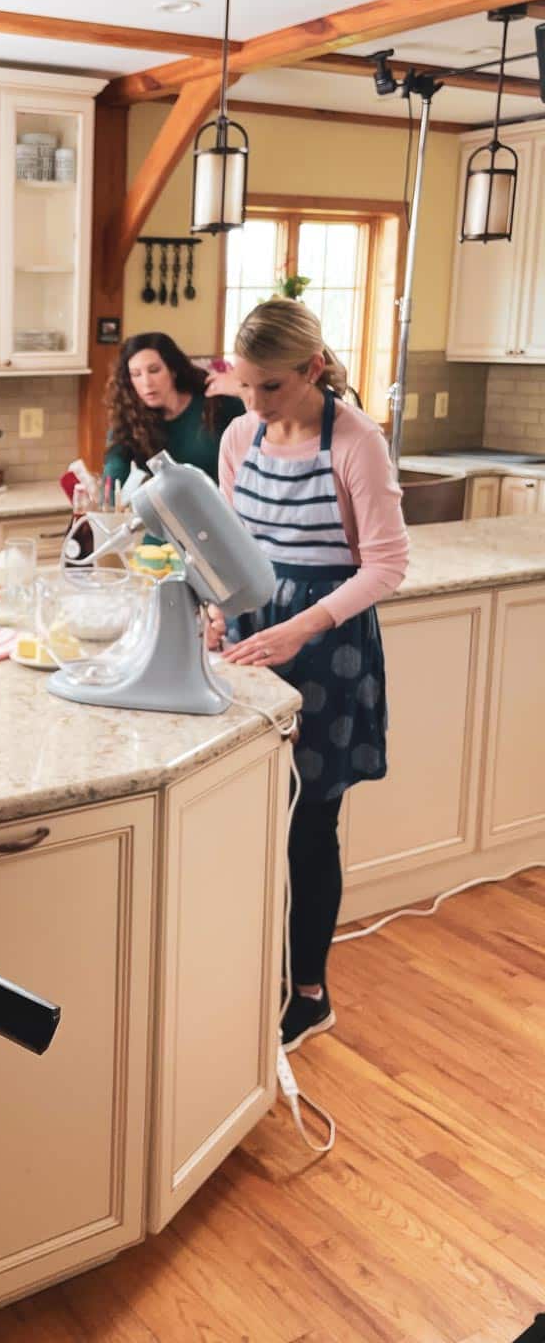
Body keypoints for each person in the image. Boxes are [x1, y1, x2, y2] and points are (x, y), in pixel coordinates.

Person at [210, 299, 409, 1052]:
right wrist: (216, 607)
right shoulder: (240, 435)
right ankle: (250, 968)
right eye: (246, 386)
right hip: (255, 636)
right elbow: (226, 543)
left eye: (270, 388)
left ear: (313, 370)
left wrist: (304, 624)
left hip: (327, 644)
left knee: (308, 825)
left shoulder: (357, 441)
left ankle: (308, 993)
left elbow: (388, 564)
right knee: (248, 813)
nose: (255, 403)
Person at [103, 331, 245, 488]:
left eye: (154, 370)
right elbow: (113, 474)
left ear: (173, 370)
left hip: (224, 507)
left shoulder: (216, 404)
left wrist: (242, 388)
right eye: (136, 374)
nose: (146, 382)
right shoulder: (130, 419)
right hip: (166, 511)